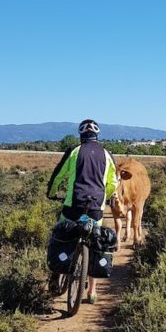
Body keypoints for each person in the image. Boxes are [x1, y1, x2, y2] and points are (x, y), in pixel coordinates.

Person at [46, 118, 118, 303]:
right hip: (96, 209)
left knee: (60, 234)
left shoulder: (74, 151)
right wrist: (105, 196)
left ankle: (55, 276)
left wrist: (51, 193)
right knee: (95, 242)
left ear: (81, 135)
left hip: (73, 205)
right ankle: (92, 292)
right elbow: (113, 183)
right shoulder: (107, 154)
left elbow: (58, 175)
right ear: (97, 135)